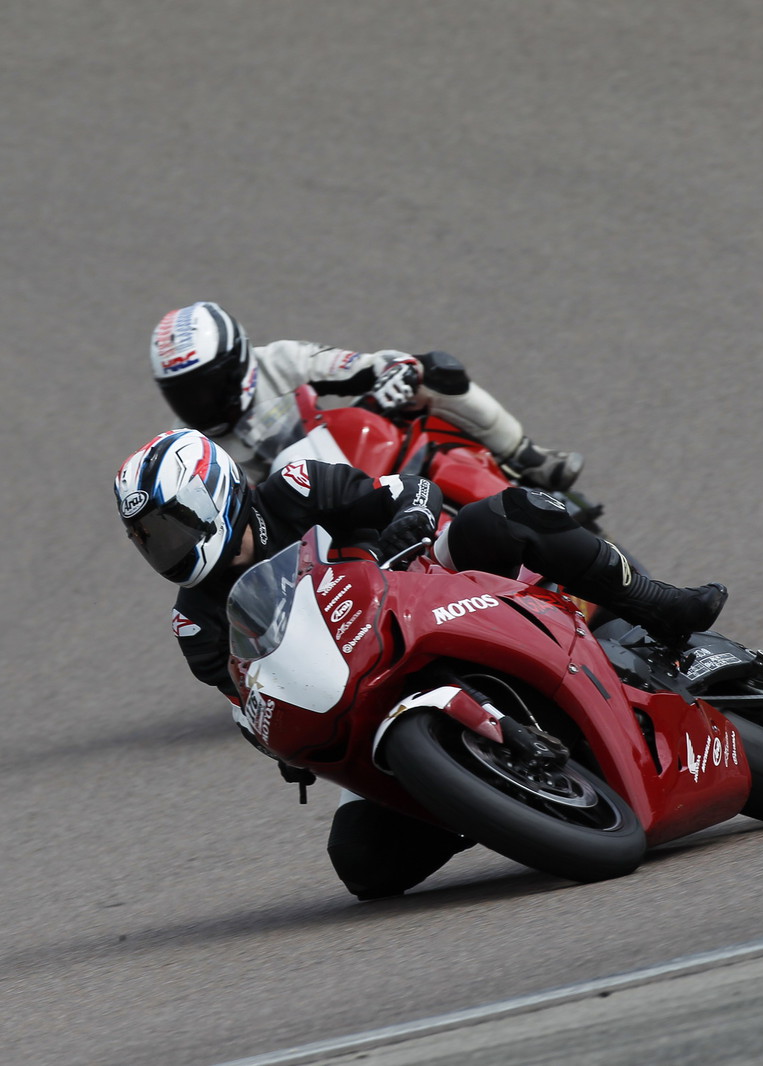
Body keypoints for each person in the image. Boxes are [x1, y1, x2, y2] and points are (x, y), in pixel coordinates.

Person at [113, 429, 726, 900]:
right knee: (360, 863)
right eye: (149, 539)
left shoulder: (294, 488)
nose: (164, 548)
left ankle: (660, 604)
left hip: (428, 594)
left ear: (212, 497)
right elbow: (244, 699)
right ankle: (481, 797)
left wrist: (401, 529)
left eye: (168, 527)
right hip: (360, 693)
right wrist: (274, 733)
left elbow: (410, 491)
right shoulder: (195, 621)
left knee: (507, 514)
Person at [148, 301, 584, 489]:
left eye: (208, 385)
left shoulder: (281, 360)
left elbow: (371, 365)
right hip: (292, 532)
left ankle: (527, 456)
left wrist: (393, 375)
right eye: (184, 394)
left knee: (436, 371)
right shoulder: (187, 449)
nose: (199, 403)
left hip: (351, 467)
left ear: (239, 360)